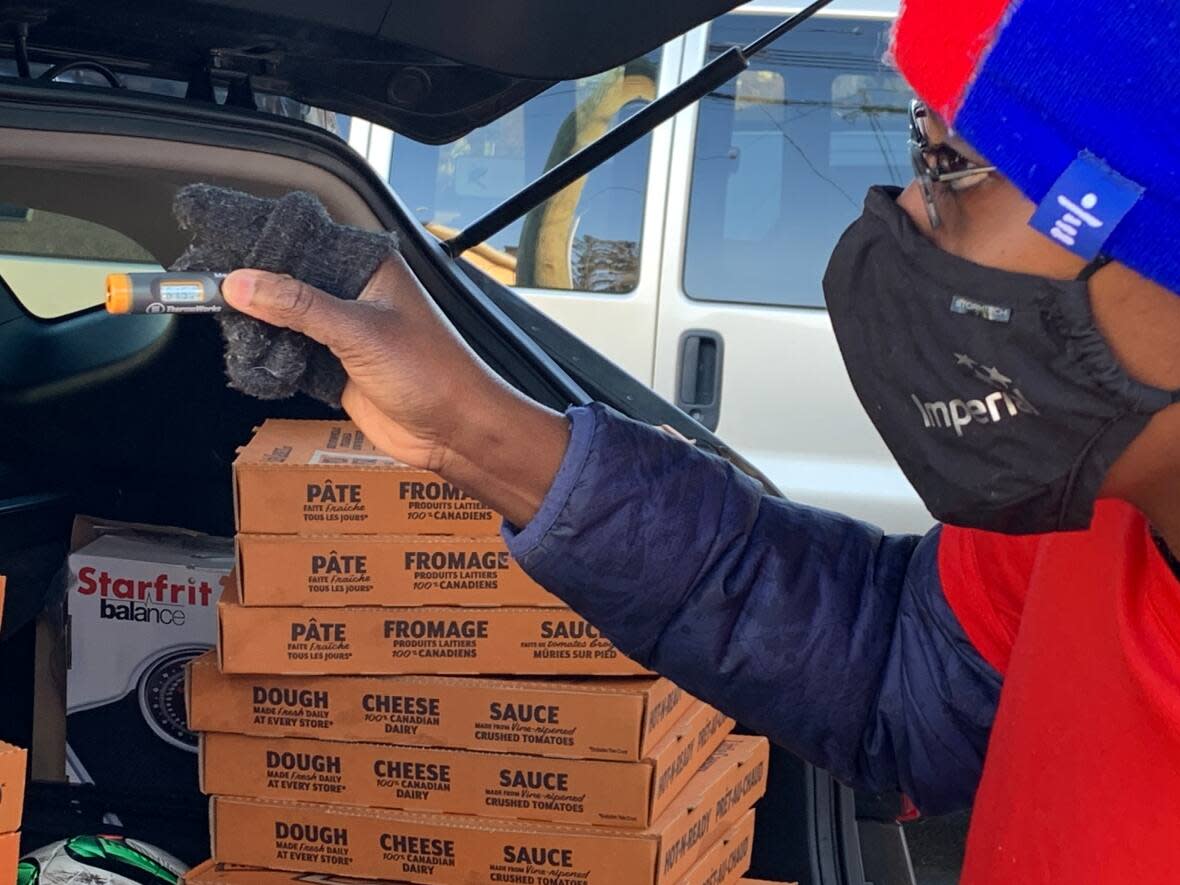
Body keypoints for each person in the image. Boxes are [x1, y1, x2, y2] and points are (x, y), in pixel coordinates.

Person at [220, 1, 1180, 880]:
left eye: (951, 167)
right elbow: (897, 665)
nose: (904, 221)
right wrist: (473, 425)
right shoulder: (1087, 521)